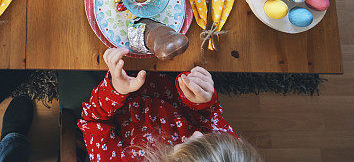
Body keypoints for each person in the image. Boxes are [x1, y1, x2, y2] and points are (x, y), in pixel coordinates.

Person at [78, 47, 261, 161]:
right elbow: (211, 118)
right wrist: (202, 101)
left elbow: (93, 123)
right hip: (174, 83)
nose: (198, 133)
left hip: (117, 97)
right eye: (209, 138)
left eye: (190, 143)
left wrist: (116, 90)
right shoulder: (229, 151)